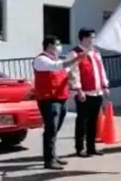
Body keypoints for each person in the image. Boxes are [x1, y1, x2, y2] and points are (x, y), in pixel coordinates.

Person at [33, 35, 89, 170]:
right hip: (48, 100)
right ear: (48, 46)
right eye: (56, 45)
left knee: (55, 129)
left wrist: (77, 89)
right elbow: (56, 66)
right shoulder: (41, 60)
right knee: (51, 129)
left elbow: (68, 73)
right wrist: (76, 58)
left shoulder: (57, 59)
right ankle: (49, 160)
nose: (59, 47)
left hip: (61, 98)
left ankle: (53, 155)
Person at [68, 28, 110, 157]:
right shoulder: (75, 53)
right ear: (84, 38)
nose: (93, 40)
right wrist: (78, 90)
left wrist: (104, 86)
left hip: (97, 92)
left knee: (93, 121)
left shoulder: (96, 52)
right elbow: (73, 72)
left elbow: (101, 70)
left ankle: (91, 147)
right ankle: (80, 148)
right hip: (84, 93)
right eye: (91, 37)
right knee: (82, 121)